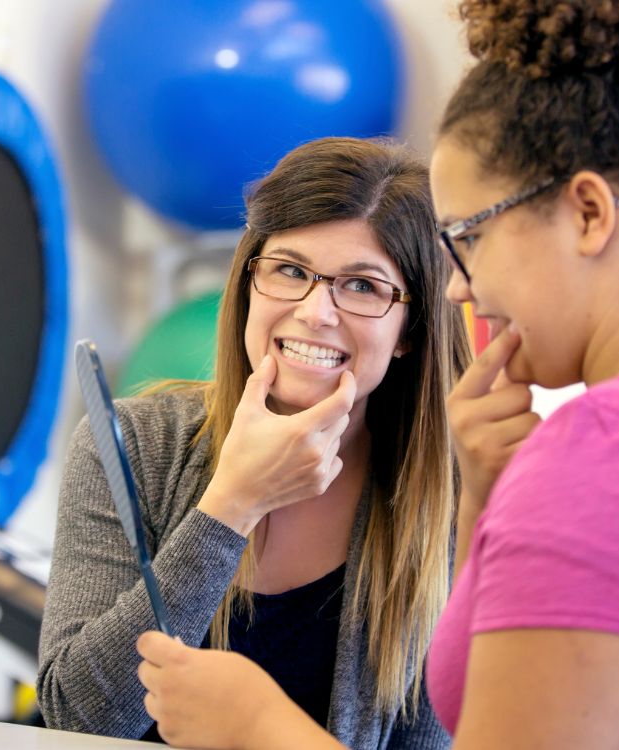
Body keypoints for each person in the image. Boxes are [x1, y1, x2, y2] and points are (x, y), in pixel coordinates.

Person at [134, 1, 619, 748]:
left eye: (469, 238)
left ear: (587, 214)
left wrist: (260, 727)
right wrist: (486, 498)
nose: (458, 287)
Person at [38, 137, 468, 749]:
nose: (316, 311)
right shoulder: (136, 443)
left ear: (410, 330)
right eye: (290, 271)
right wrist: (230, 507)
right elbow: (78, 721)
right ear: (247, 285)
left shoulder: (447, 498)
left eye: (363, 287)